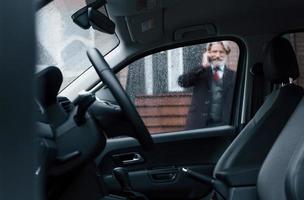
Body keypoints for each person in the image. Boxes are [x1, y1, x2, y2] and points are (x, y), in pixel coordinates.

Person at [178, 41, 236, 129]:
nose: (217, 55)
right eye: (214, 51)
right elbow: (182, 82)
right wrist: (203, 66)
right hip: (198, 126)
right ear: (207, 53)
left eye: (221, 52)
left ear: (226, 54)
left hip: (224, 127)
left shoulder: (234, 76)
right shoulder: (200, 72)